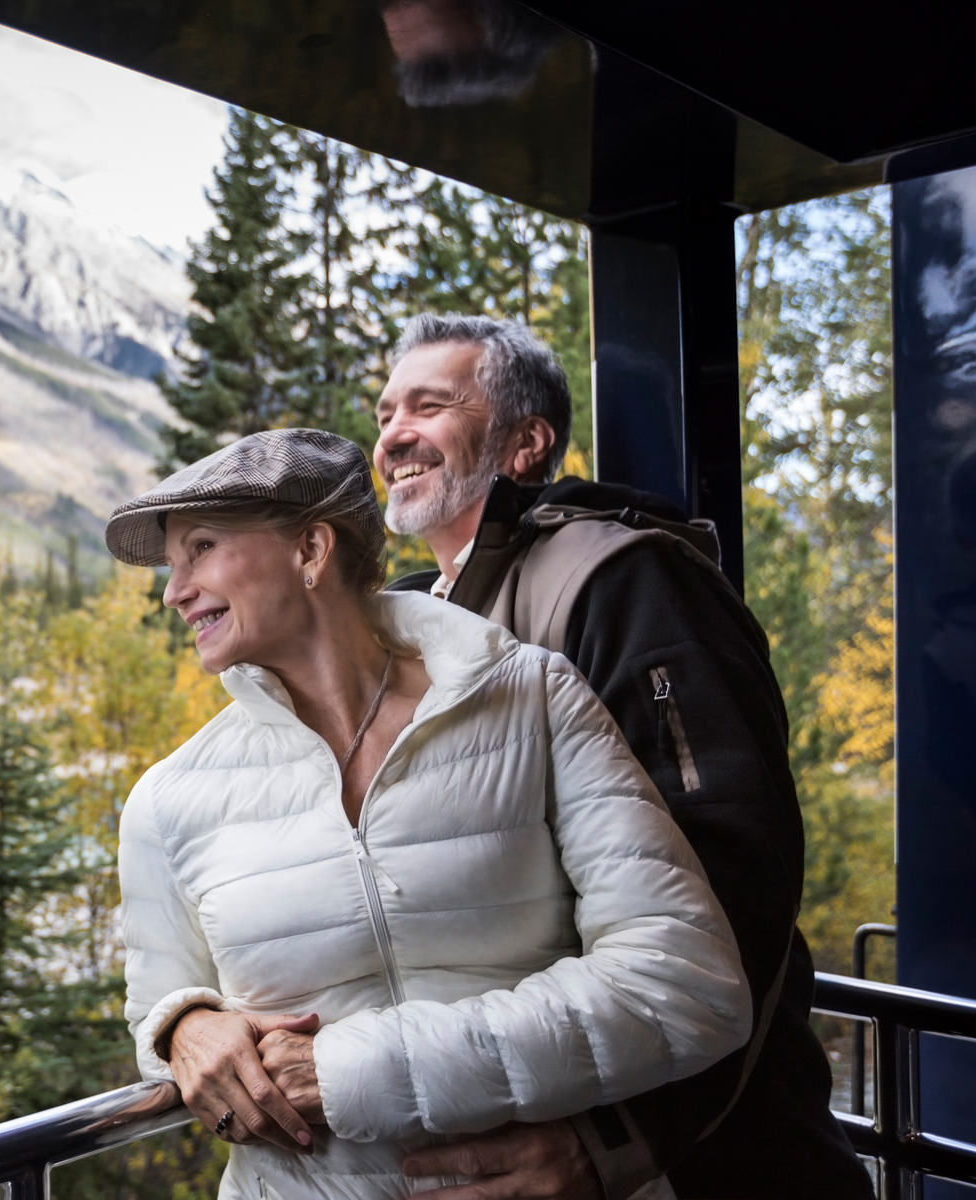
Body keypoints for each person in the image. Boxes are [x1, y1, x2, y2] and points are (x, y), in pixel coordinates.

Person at [106, 428, 752, 1200]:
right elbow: (157, 1011)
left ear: (311, 549)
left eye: (201, 549)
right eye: (173, 566)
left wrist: (355, 1071)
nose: (175, 590)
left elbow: (688, 981)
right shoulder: (169, 798)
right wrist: (185, 1027)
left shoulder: (534, 701)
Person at [373, 313, 875, 1199]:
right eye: (383, 414)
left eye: (430, 405)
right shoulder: (419, 620)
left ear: (527, 444)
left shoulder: (622, 578)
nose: (393, 434)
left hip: (708, 1156)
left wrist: (622, 1137)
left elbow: (732, 874)